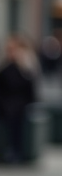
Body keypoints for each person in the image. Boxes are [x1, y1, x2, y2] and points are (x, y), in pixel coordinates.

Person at [0, 34, 39, 164]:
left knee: (16, 120)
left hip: (20, 105)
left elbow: (30, 89)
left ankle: (15, 151)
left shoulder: (25, 67)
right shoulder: (7, 67)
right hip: (6, 104)